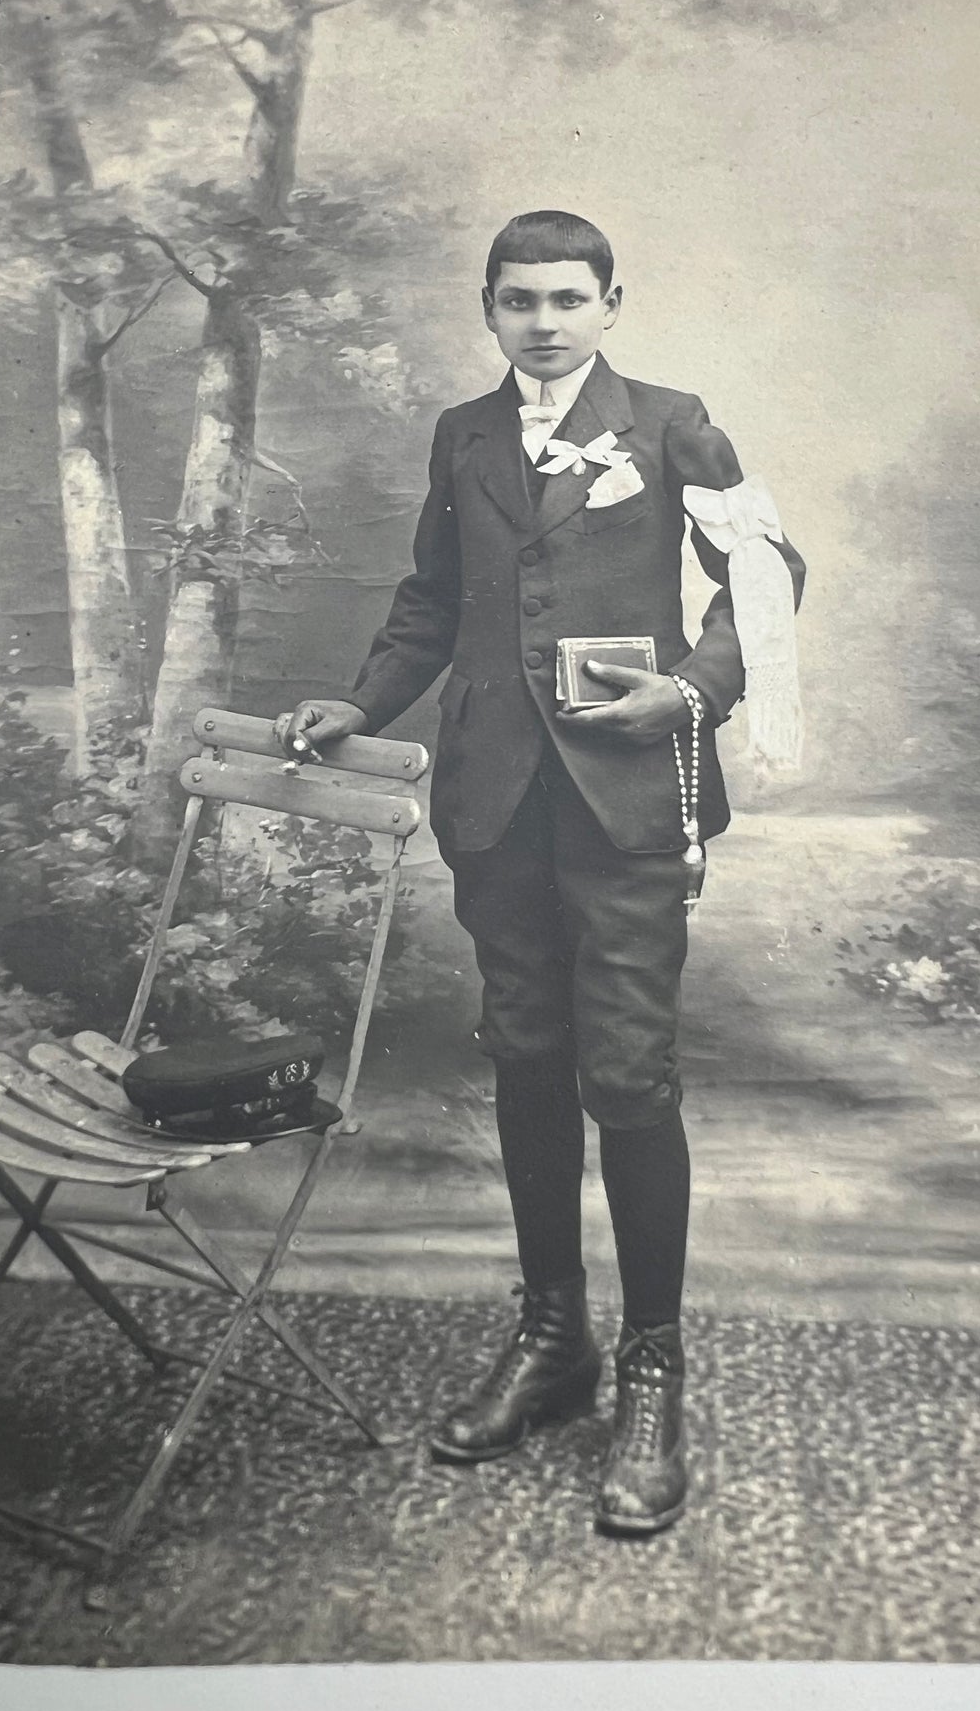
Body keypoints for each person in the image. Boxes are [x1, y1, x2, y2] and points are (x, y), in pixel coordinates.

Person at [280, 209, 805, 1535]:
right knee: (525, 1053)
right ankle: (553, 1340)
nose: (544, 322)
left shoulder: (672, 423)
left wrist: (694, 688)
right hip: (497, 799)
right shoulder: (463, 433)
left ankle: (651, 1368)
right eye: (519, 300)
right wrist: (362, 704)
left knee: (624, 1071)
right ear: (489, 308)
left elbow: (766, 570)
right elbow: (432, 597)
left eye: (569, 299)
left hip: (627, 796)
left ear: (611, 305)